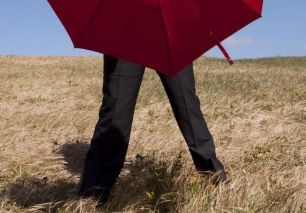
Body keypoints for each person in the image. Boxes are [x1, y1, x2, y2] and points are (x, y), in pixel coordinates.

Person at [78, 55, 226, 204]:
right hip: (125, 39)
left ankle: (218, 185)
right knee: (115, 115)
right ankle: (92, 196)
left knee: (188, 109)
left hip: (172, 40)